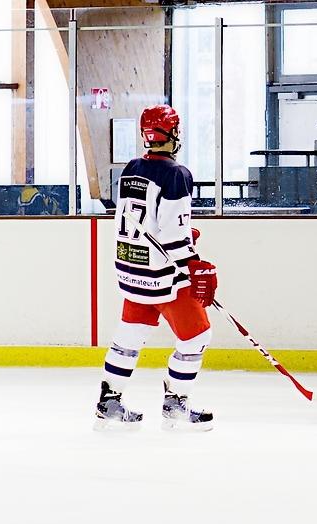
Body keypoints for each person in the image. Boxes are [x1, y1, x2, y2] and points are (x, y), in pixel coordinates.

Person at [94, 104, 218, 431]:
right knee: (197, 336)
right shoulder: (176, 174)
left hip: (132, 268)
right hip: (163, 276)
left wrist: (182, 239)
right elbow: (174, 236)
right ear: (173, 133)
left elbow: (143, 220)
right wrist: (195, 265)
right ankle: (175, 402)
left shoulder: (131, 168)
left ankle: (109, 401)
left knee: (129, 337)